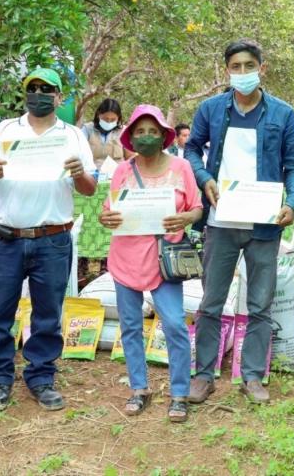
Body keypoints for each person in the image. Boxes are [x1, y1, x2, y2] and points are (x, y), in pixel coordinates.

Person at [185, 39, 294, 404]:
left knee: (260, 304)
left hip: (265, 223)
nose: (242, 73)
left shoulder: (283, 114)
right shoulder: (211, 108)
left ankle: (252, 376)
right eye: (235, 66)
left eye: (248, 65)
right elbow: (191, 148)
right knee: (212, 300)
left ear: (262, 69)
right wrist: (204, 178)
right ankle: (204, 375)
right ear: (226, 70)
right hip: (221, 221)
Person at [0, 67, 96, 412]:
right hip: (6, 238)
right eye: (33, 88)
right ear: (25, 94)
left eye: (47, 89)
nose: (39, 94)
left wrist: (79, 173)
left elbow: (88, 187)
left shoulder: (72, 136)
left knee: (47, 313)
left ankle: (41, 377)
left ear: (60, 97)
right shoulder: (5, 130)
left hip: (52, 238)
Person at [99, 105, 202, 422]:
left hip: (165, 259)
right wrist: (106, 217)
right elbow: (108, 211)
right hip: (125, 258)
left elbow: (196, 208)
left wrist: (186, 217)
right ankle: (139, 388)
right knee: (130, 326)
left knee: (173, 324)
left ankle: (180, 393)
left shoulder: (181, 167)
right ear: (131, 136)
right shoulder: (122, 171)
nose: (146, 137)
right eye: (139, 131)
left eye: (152, 131)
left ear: (163, 136)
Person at [82, 98, 131, 171]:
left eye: (113, 120)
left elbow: (130, 157)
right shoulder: (87, 129)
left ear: (118, 118)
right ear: (99, 115)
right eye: (105, 119)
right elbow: (79, 154)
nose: (109, 122)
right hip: (93, 176)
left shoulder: (124, 131)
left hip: (118, 176)